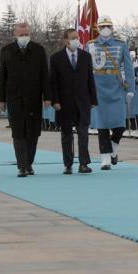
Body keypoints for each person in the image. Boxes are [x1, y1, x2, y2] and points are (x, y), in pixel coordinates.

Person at [0, 22, 50, 177]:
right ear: (15, 35)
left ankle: (29, 163)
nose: (24, 37)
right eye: (21, 35)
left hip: (34, 98)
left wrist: (47, 97)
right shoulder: (7, 51)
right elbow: (3, 77)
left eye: (26, 34)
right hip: (15, 98)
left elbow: (45, 75)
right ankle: (22, 166)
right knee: (18, 133)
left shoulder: (38, 50)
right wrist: (1, 99)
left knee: (33, 133)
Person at [86, 16, 135, 169]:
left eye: (108, 26)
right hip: (98, 88)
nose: (105, 29)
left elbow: (128, 68)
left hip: (116, 87)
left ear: (112, 28)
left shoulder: (121, 45)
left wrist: (130, 89)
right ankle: (105, 158)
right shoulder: (90, 45)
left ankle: (113, 147)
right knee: (102, 125)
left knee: (120, 124)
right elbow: (86, 69)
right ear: (98, 28)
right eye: (102, 26)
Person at [49, 28, 97, 174]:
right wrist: (55, 101)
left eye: (77, 37)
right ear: (66, 40)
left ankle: (84, 164)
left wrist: (93, 99)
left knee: (83, 133)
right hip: (64, 103)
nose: (76, 40)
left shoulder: (85, 57)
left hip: (83, 102)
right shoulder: (56, 58)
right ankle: (68, 164)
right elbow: (53, 82)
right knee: (66, 135)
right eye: (73, 38)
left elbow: (90, 79)